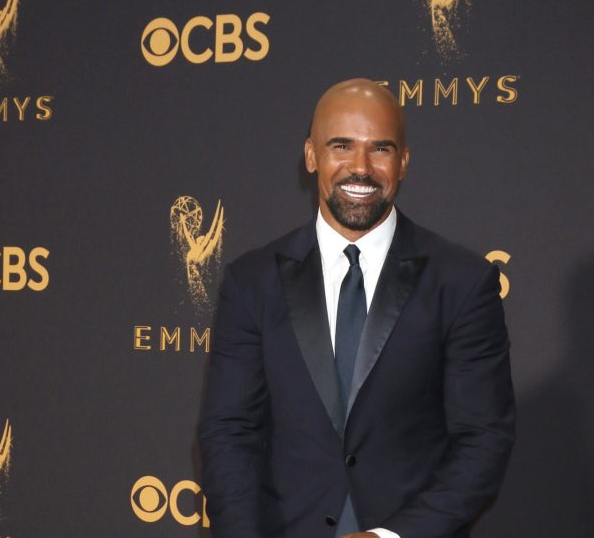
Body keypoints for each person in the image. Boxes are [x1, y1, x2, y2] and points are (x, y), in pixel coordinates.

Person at [199, 78, 515, 538]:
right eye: (341, 146)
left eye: (380, 149)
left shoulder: (462, 281)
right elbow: (229, 432)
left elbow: (483, 440)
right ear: (311, 155)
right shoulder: (252, 281)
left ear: (404, 161)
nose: (361, 168)